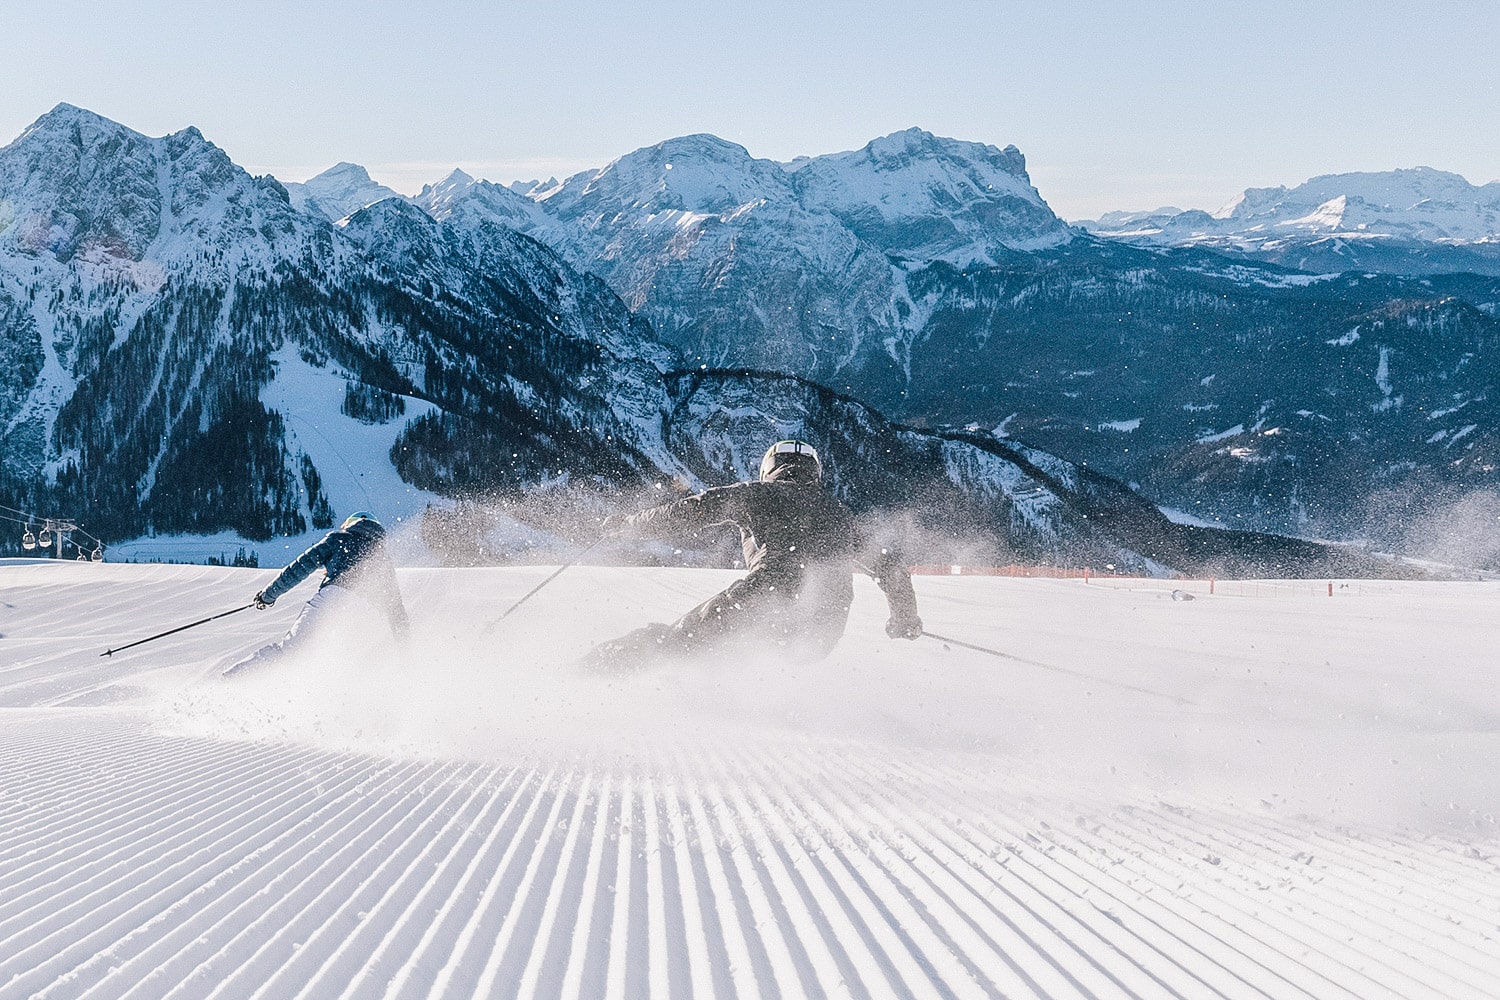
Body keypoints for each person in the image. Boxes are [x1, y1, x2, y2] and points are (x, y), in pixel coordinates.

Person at [581, 440, 923, 672]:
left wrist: (629, 526)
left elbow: (688, 512)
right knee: (742, 657)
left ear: (769, 469)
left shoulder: (756, 494)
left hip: (765, 599)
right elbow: (892, 569)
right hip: (823, 629)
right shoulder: (842, 515)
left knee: (675, 642)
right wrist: (904, 619)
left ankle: (589, 672)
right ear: (815, 473)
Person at [222, 511, 410, 677]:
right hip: (362, 614)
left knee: (290, 652)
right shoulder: (382, 556)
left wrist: (268, 596)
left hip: (335, 598)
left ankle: (231, 680)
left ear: (350, 524)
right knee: (337, 667)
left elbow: (298, 568)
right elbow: (396, 609)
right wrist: (406, 650)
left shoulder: (339, 539)